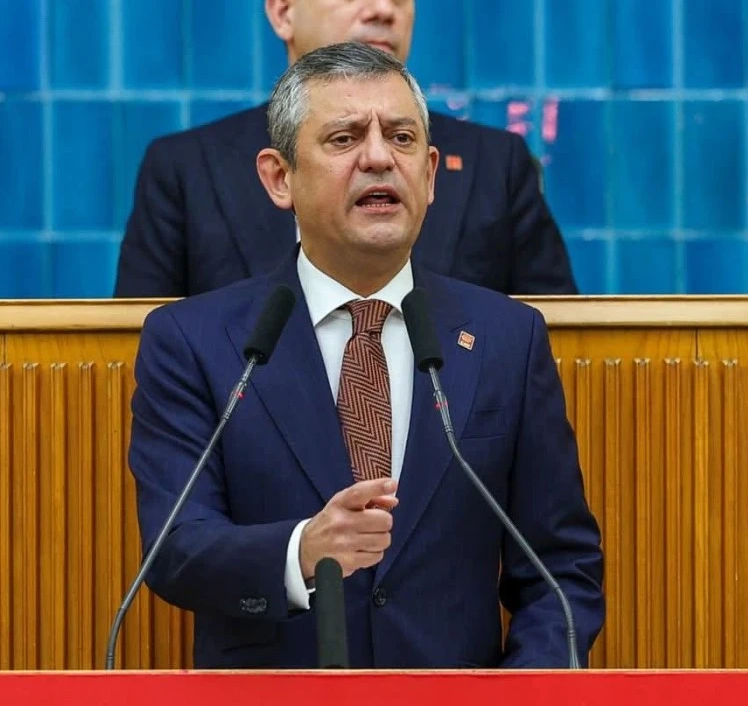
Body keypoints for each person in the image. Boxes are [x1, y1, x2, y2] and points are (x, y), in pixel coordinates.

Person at [127, 43, 604, 669]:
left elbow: (560, 568)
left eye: (401, 138)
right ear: (279, 178)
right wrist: (302, 551)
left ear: (429, 174)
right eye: (345, 138)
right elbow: (176, 547)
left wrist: (523, 692)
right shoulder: (195, 341)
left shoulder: (506, 338)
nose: (379, 158)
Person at [113, 0, 578, 298]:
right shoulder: (186, 169)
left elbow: (559, 339)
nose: (383, 10)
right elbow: (139, 347)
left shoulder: (495, 164)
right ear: (282, 11)